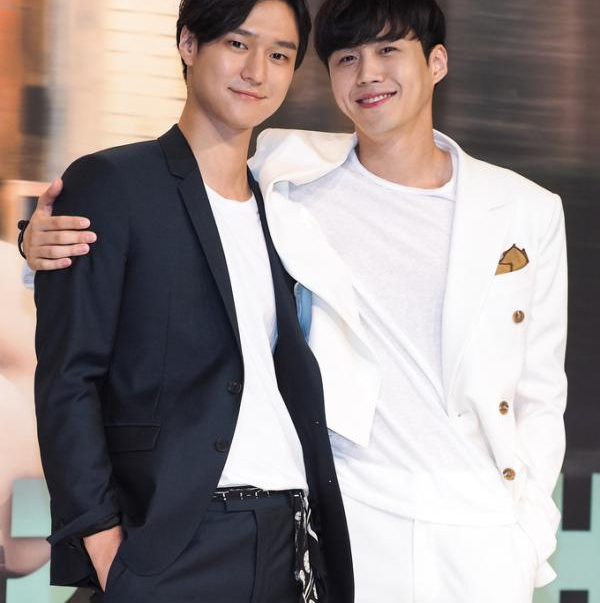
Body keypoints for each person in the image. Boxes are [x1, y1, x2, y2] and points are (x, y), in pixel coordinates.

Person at [22, 0, 568, 602]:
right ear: (188, 45)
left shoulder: (519, 209)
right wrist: (35, 246)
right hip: (332, 520)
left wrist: (529, 535)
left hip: (430, 531)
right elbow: (85, 342)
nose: (368, 74)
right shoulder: (294, 177)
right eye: (347, 58)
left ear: (436, 62)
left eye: (389, 50)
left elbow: (541, 392)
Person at [23, 1, 353, 602]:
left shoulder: (284, 210)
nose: (257, 71)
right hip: (174, 543)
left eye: (280, 55)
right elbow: (69, 378)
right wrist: (101, 542)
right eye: (237, 44)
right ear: (188, 44)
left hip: (287, 538)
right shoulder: (114, 183)